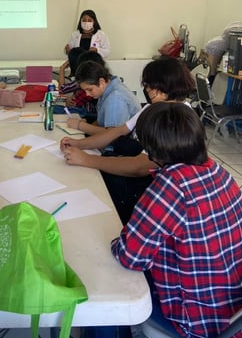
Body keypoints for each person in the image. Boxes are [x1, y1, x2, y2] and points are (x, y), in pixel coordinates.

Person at [111, 102, 242, 338]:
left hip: (200, 324)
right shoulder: (221, 173)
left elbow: (131, 257)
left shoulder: (170, 187)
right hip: (234, 316)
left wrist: (119, 240)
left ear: (155, 152)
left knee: (114, 286)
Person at [60, 56, 195, 225]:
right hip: (139, 168)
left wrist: (87, 159)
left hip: (154, 188)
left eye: (148, 85)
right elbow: (116, 132)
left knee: (98, 188)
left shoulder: (175, 118)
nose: (147, 90)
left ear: (161, 87)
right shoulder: (153, 108)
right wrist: (78, 144)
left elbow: (140, 167)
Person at [70, 60, 141, 134]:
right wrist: (86, 126)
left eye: (90, 89)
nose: (87, 94)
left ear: (101, 82)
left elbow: (113, 135)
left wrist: (80, 126)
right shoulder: (107, 88)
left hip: (124, 142)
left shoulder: (115, 98)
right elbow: (101, 122)